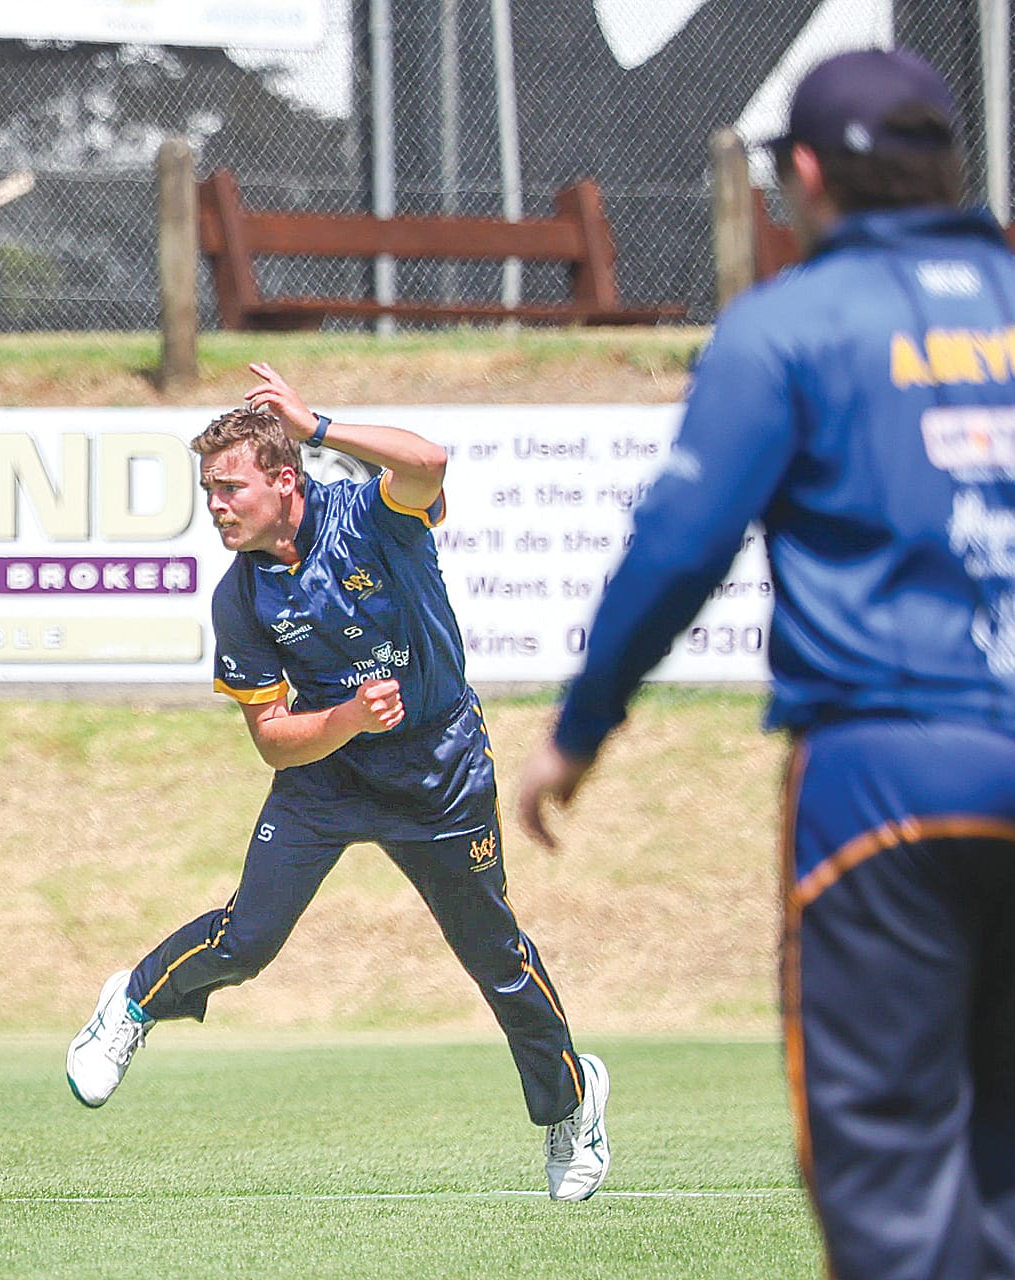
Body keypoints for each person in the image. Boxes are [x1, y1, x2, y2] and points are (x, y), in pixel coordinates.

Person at [516, 47, 1015, 1278]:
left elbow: (678, 546)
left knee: (881, 1161)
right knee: (989, 1113)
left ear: (802, 175)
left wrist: (580, 731)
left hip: (887, 783)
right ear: (949, 167)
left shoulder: (787, 327)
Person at [66, 362, 610, 1203]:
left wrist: (316, 425)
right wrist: (348, 720)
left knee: (494, 958)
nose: (216, 506)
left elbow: (429, 461)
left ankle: (572, 1105)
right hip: (329, 775)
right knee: (245, 943)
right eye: (208, 491)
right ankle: (133, 1003)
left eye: (229, 488)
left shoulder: (370, 516)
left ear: (285, 480)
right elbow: (273, 744)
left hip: (440, 770)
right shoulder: (240, 599)